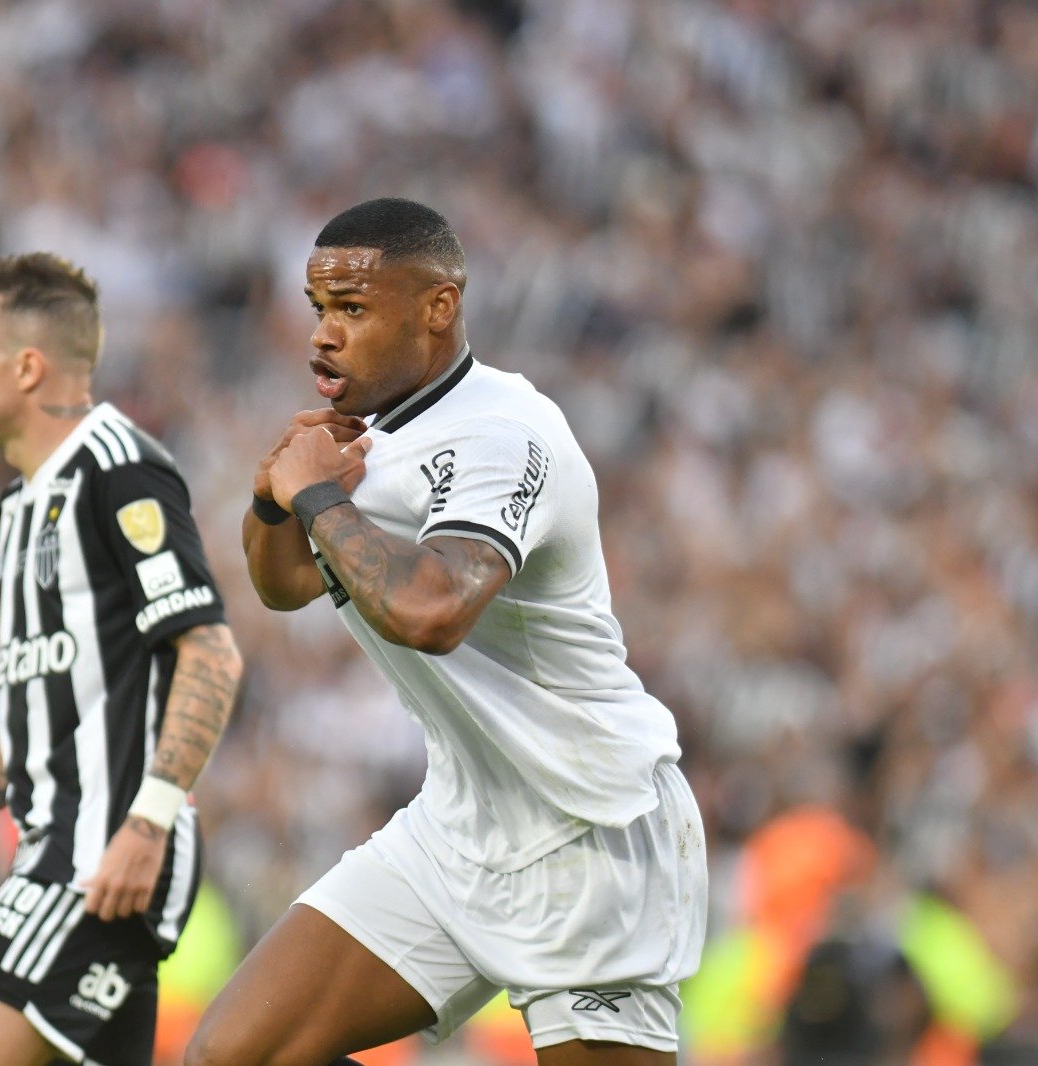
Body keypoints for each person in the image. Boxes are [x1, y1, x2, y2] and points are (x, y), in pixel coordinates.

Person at [192, 197, 707, 1066]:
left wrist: (314, 495)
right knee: (233, 1057)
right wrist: (273, 495)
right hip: (460, 826)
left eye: (352, 309)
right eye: (318, 309)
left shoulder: (503, 434)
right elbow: (282, 586)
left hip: (591, 830)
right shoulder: (370, 443)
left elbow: (432, 614)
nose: (322, 335)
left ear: (438, 306)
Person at [0, 252, 244, 1066]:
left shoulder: (117, 470)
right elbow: (67, 688)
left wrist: (147, 821)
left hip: (96, 856)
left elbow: (210, 654)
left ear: (27, 367)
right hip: (59, 846)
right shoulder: (16, 504)